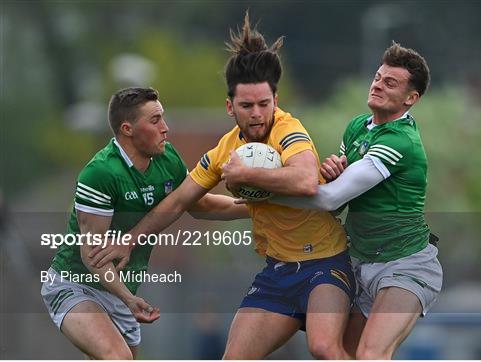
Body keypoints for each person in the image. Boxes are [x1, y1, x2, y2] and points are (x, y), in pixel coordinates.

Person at [89, 13, 354, 360]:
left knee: (323, 347)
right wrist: (130, 239)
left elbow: (304, 179)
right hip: (277, 272)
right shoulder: (223, 151)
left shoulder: (289, 130)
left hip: (325, 263)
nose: (257, 113)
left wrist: (246, 177)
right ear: (230, 107)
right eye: (247, 105)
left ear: (276, 101)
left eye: (265, 103)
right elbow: (180, 200)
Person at [41, 87, 248, 359]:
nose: (165, 128)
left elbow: (199, 204)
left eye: (163, 118)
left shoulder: (168, 158)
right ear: (127, 128)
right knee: (119, 357)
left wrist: (257, 209)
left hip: (121, 295)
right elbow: (92, 257)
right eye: (155, 120)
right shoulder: (101, 173)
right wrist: (129, 298)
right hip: (76, 284)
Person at [269, 42, 443, 359]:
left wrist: (265, 190)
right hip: (362, 264)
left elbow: (329, 198)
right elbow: (337, 203)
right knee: (339, 353)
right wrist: (334, 175)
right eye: (377, 77)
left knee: (370, 354)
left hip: (407, 265)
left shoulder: (400, 140)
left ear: (411, 98)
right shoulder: (357, 128)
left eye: (390, 82)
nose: (377, 84)